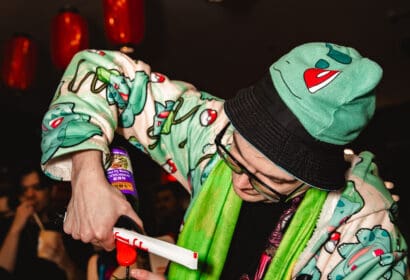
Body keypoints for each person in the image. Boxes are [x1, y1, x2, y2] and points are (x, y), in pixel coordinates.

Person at [40, 42, 408, 279]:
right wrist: (87, 176)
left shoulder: (365, 228)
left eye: (271, 180)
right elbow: (99, 70)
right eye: (236, 156)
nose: (240, 182)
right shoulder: (213, 131)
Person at [0, 162, 93, 280]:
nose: (29, 194)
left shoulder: (70, 227)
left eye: (37, 188)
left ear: (52, 191)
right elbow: (3, 271)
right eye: (24, 189)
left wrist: (64, 261)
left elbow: (87, 276)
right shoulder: (10, 226)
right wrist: (15, 229)